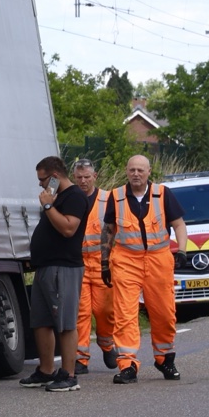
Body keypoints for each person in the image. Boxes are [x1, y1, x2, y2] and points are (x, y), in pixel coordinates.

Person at [102, 154, 186, 383]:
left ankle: (165, 359)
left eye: (140, 170)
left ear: (149, 172)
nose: (136, 174)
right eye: (132, 170)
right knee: (125, 314)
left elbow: (179, 224)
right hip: (126, 260)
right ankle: (127, 365)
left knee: (164, 313)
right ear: (126, 172)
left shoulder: (162, 193)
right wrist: (104, 262)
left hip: (159, 260)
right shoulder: (116, 197)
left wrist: (182, 250)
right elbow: (108, 230)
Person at [23, 155, 92, 392]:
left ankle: (69, 374)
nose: (41, 185)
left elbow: (68, 228)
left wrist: (48, 206)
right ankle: (45, 370)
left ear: (54, 177)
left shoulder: (74, 196)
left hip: (64, 267)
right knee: (41, 321)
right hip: (45, 267)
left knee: (64, 322)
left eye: (43, 180)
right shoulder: (57, 196)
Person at [71, 158, 117, 374]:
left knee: (104, 310)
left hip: (103, 265)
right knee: (80, 312)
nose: (83, 181)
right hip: (78, 265)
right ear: (74, 177)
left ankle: (107, 345)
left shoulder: (108, 199)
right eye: (79, 177)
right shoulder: (69, 199)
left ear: (95, 177)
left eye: (87, 177)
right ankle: (80, 358)